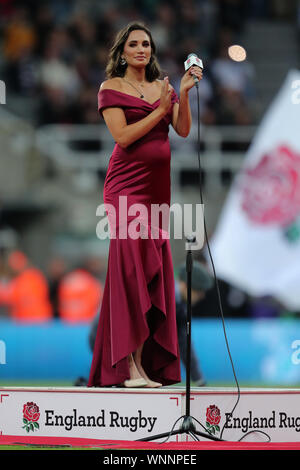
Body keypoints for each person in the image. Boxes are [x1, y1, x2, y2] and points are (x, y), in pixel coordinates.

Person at [87, 21, 203, 389]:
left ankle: (142, 366)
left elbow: (182, 130)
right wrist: (158, 111)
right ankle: (127, 370)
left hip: (156, 194)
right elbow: (122, 137)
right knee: (130, 277)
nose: (141, 49)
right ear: (122, 51)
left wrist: (180, 94)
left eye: (147, 44)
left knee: (151, 276)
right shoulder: (111, 88)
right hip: (124, 191)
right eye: (134, 44)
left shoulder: (163, 86)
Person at [176, 261, 214, 387]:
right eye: (198, 290)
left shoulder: (181, 306)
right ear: (184, 285)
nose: (202, 295)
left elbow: (184, 344)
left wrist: (198, 379)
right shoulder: (170, 303)